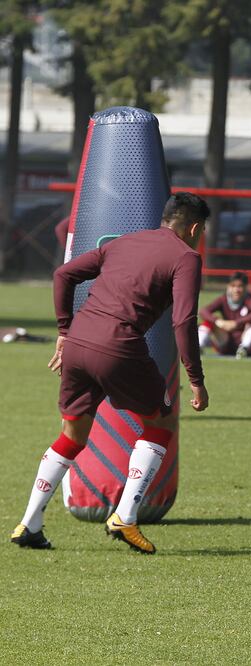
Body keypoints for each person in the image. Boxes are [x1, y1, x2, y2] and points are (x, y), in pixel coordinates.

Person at [10, 193, 211, 554]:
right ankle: (125, 517)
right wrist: (195, 378)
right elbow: (183, 320)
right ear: (194, 229)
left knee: (72, 435)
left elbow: (63, 274)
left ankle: (29, 523)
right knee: (161, 423)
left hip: (78, 343)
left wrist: (64, 330)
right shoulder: (186, 256)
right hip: (119, 347)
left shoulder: (125, 242)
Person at [198, 271, 251, 358]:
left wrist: (236, 323)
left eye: (240, 286)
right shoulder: (223, 299)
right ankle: (198, 347)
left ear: (245, 287)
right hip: (226, 341)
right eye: (233, 286)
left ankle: (243, 349)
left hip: (245, 341)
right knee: (207, 323)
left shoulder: (249, 299)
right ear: (228, 287)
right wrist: (218, 321)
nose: (236, 290)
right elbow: (203, 311)